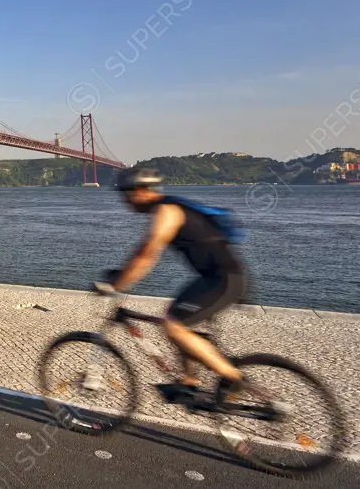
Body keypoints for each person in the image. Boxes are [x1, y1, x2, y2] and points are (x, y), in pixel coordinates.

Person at [97, 167, 248, 402]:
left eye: (126, 194)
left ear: (141, 191)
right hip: (216, 278)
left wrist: (117, 285)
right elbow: (141, 252)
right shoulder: (167, 207)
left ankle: (234, 377)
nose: (125, 201)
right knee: (175, 316)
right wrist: (120, 273)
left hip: (224, 280)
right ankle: (189, 382)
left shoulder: (166, 211)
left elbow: (147, 254)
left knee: (173, 326)